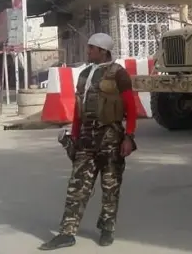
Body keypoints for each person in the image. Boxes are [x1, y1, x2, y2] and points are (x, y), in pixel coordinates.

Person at [39, 33, 138, 251]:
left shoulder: (119, 74)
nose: (88, 51)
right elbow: (78, 110)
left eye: (92, 48)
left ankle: (107, 228)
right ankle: (67, 233)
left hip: (111, 137)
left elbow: (131, 107)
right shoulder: (84, 74)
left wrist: (129, 136)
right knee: (77, 186)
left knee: (110, 187)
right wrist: (74, 136)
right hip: (86, 138)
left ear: (103, 51)